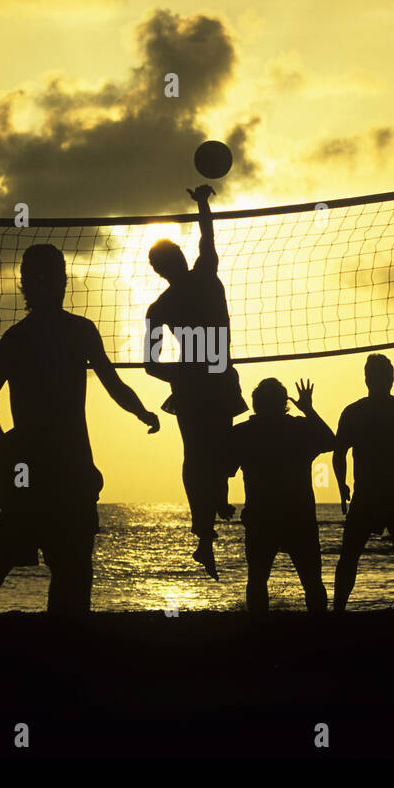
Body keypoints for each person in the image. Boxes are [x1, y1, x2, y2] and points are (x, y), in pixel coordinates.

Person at [0, 243, 160, 615]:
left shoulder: (20, 337)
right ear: (62, 283)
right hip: (64, 469)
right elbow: (115, 386)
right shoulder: (74, 332)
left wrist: (7, 446)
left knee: (6, 574)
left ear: (25, 284)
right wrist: (142, 412)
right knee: (67, 574)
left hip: (41, 469)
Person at [145, 184, 247, 580]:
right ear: (178, 260)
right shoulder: (200, 278)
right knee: (212, 451)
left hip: (200, 383)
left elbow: (151, 367)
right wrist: (202, 203)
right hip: (212, 379)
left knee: (202, 455)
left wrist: (182, 372)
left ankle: (207, 527)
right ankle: (208, 526)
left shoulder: (164, 303)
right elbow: (208, 235)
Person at [332, 354, 394, 611]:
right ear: (390, 378)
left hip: (373, 495)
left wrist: (342, 485)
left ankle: (339, 610)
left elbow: (339, 453)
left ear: (367, 378)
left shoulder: (354, 412)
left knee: (351, 556)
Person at [228, 378, 333, 613]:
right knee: (312, 582)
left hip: (261, 517)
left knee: (257, 580)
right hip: (298, 517)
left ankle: (257, 630)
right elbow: (331, 441)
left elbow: (222, 469)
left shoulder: (244, 432)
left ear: (256, 405)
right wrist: (308, 409)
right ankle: (322, 629)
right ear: (284, 404)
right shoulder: (299, 428)